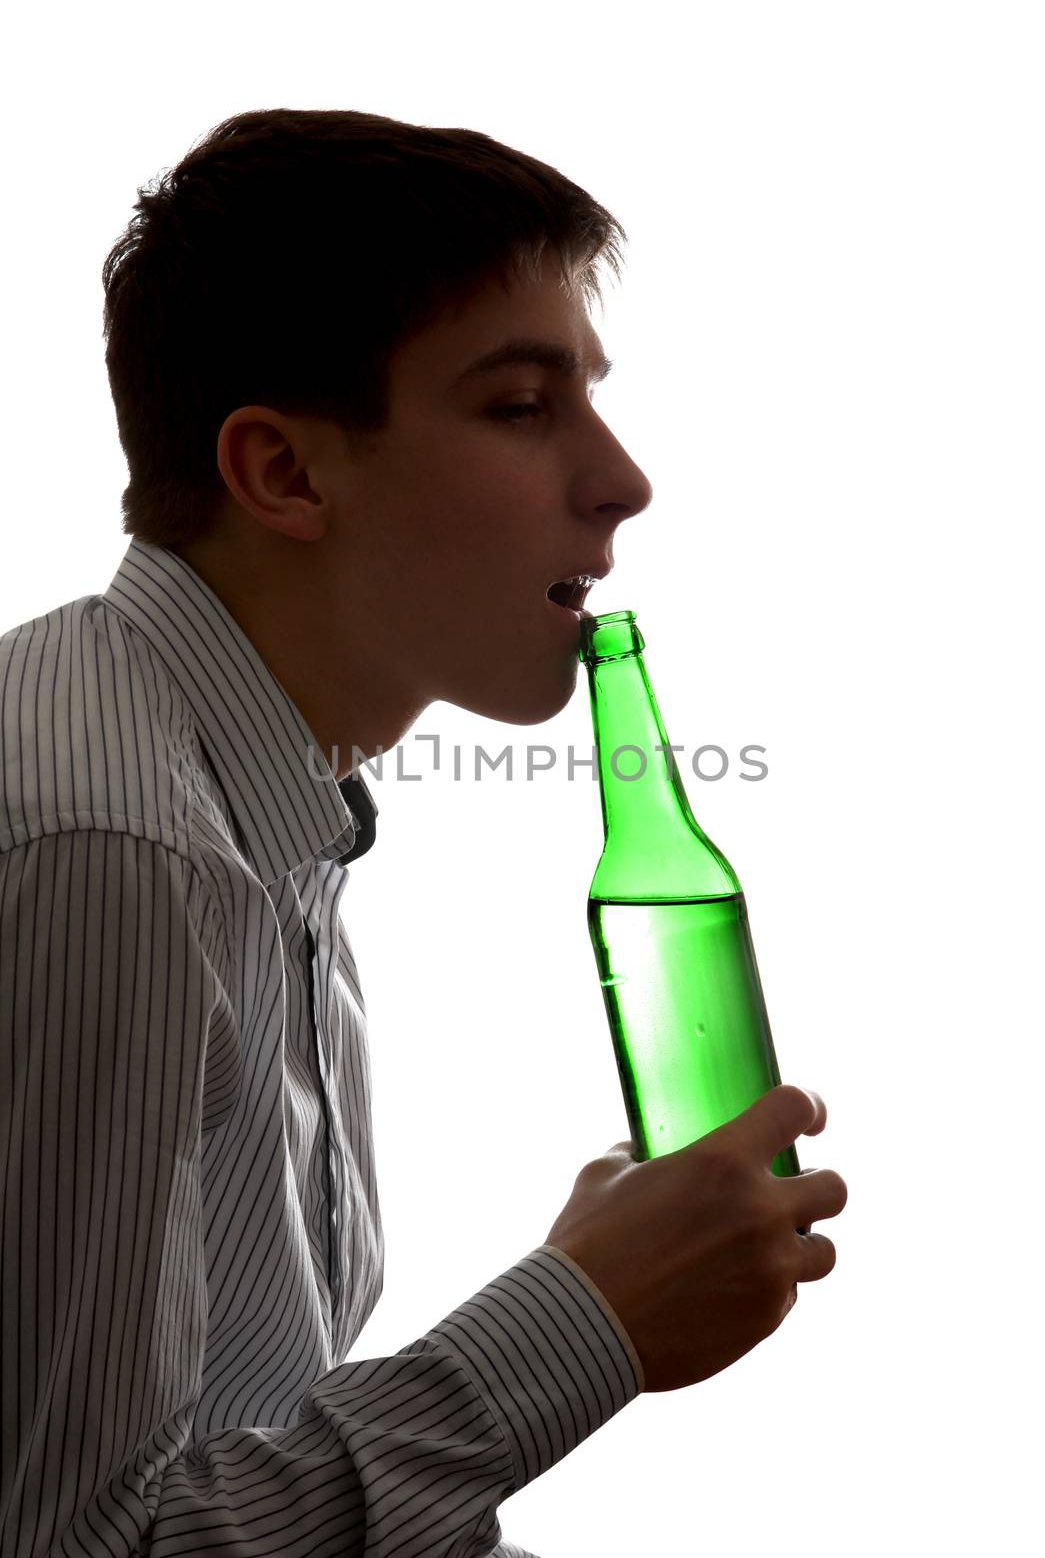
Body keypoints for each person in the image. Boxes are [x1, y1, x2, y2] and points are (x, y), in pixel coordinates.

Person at [0, 108, 847, 1557]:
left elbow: (227, 1453)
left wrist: (586, 1286)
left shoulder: (267, 817)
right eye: (524, 406)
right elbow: (80, 1544)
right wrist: (580, 1326)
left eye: (592, 394)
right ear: (283, 473)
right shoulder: (117, 851)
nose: (623, 480)